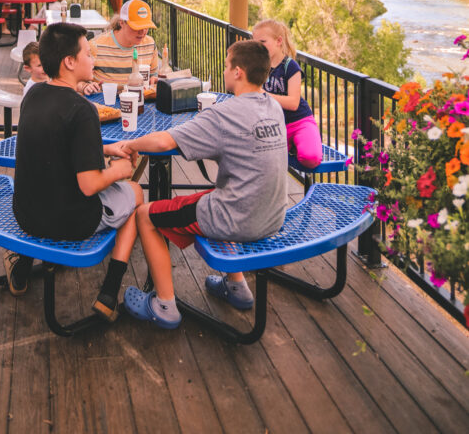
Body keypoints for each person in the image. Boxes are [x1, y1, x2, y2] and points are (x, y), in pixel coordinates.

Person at [109, 39, 287, 329]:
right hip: (271, 215)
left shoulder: (225, 113)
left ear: (238, 72)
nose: (225, 70)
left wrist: (130, 143)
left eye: (227, 65)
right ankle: (237, 286)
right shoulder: (273, 107)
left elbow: (165, 140)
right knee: (218, 195)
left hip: (238, 217)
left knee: (145, 215)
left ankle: (164, 304)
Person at [9, 22, 143, 320]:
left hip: (27, 213)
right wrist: (120, 170)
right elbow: (89, 185)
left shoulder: (34, 95)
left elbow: (55, 143)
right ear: (69, 62)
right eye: (87, 53)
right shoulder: (82, 110)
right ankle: (109, 293)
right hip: (68, 221)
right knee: (135, 194)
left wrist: (107, 149)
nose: (92, 59)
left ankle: (23, 262)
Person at [253, 18, 322, 169]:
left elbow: (293, 103)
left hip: (299, 121)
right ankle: (291, 145)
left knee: (311, 158)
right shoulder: (258, 67)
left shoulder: (290, 67)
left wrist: (264, 94)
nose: (258, 47)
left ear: (278, 41)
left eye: (263, 42)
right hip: (274, 125)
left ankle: (299, 141)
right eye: (255, 43)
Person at [80, 0, 158, 96]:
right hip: (104, 103)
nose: (142, 32)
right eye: (137, 27)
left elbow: (153, 77)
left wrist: (154, 80)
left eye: (146, 26)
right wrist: (84, 86)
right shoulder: (96, 45)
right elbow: (77, 80)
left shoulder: (150, 44)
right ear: (122, 23)